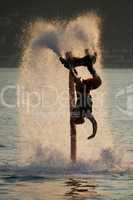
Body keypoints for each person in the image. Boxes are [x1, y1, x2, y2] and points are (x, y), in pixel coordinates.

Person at [59, 50, 102, 139]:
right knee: (97, 81)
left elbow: (94, 123)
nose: (74, 115)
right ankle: (87, 65)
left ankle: (71, 66)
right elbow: (94, 123)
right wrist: (93, 134)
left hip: (82, 89)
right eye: (75, 117)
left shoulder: (83, 114)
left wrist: (93, 133)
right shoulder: (86, 114)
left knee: (79, 79)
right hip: (84, 89)